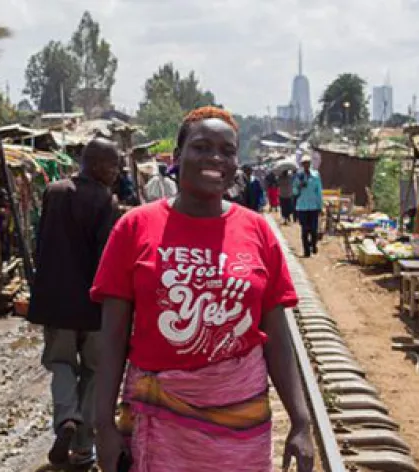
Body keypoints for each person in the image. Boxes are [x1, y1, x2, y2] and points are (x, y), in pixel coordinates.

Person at [91, 106, 314, 472]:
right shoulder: (134, 228)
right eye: (201, 147)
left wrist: (301, 421)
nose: (215, 158)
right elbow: (113, 337)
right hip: (160, 423)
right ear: (177, 157)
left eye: (227, 151)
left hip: (239, 425)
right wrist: (103, 425)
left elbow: (276, 334)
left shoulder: (258, 232)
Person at [27, 138, 120, 468]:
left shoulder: (53, 192)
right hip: (93, 307)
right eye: (113, 166)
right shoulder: (105, 201)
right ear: (95, 165)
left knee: (62, 365)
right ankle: (83, 446)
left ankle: (66, 418)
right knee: (94, 371)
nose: (116, 172)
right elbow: (107, 258)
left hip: (56, 303)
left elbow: (40, 244)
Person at [293, 155, 323, 257]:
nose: (306, 165)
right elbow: (294, 191)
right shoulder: (298, 176)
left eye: (307, 163)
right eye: (304, 163)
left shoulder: (315, 175)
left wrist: (320, 206)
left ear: (310, 164)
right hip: (302, 207)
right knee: (305, 230)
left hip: (313, 206)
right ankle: (306, 251)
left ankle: (313, 245)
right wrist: (299, 186)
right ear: (302, 165)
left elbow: (319, 191)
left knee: (314, 229)